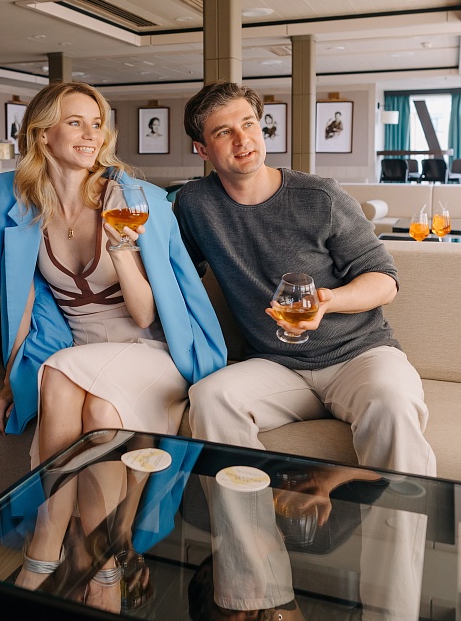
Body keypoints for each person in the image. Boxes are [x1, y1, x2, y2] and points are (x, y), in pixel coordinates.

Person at [0, 82, 226, 600]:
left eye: (97, 124)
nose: (91, 135)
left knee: (59, 372)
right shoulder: (16, 200)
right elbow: (21, 302)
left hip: (151, 351)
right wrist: (8, 383)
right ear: (42, 134)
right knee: (101, 414)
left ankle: (44, 548)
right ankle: (104, 569)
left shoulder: (130, 199)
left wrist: (120, 253)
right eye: (76, 122)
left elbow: (145, 314)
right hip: (83, 353)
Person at [174, 82, 435, 479]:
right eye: (224, 131)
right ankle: (252, 521)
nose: (242, 139)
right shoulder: (195, 203)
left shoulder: (319, 197)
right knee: (210, 397)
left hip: (359, 356)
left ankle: (403, 521)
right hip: (276, 365)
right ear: (202, 149)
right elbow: (178, 274)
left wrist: (328, 301)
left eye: (249, 124)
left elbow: (384, 280)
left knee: (392, 404)